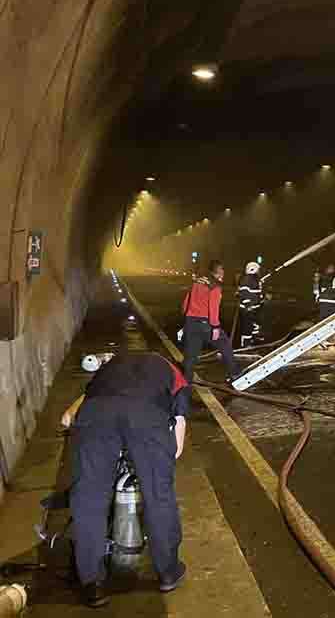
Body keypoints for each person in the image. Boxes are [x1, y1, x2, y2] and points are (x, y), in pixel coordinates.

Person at [65, 350, 190, 607]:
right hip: (147, 416)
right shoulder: (176, 375)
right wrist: (153, 460)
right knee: (159, 495)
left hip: (95, 415)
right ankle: (167, 572)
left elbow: (68, 417)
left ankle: (92, 583)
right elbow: (177, 444)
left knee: (88, 498)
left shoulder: (108, 371)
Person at [180, 259, 238, 381]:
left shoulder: (198, 281)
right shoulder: (215, 286)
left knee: (191, 354)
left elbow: (186, 301)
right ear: (219, 272)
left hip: (191, 321)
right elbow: (213, 308)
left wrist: (186, 318)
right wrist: (215, 327)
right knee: (225, 345)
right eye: (222, 271)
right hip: (206, 324)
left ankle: (185, 382)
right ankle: (235, 373)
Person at [237, 261, 264, 348]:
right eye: (258, 270)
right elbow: (244, 293)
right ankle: (245, 345)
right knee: (247, 327)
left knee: (255, 325)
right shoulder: (247, 279)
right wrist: (248, 305)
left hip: (254, 308)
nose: (259, 272)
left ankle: (254, 339)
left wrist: (262, 299)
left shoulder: (255, 280)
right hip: (247, 309)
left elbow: (256, 293)